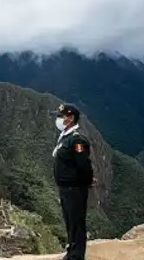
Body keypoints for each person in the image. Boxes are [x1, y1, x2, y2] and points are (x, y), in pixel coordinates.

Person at [51, 103, 95, 260]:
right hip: (65, 189)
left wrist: (85, 182)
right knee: (70, 222)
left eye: (60, 116)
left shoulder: (77, 140)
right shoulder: (66, 137)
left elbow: (83, 165)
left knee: (76, 222)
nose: (58, 119)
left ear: (70, 118)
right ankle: (71, 252)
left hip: (74, 189)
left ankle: (77, 256)